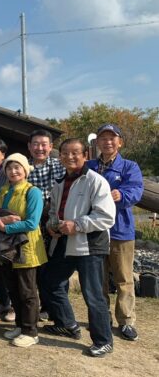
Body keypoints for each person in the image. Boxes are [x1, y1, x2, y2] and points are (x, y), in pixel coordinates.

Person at [43, 138, 116, 358]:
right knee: (49, 281)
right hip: (63, 242)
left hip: (90, 245)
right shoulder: (59, 183)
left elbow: (106, 217)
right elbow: (54, 212)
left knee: (93, 294)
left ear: (86, 155)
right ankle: (67, 324)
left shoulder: (96, 180)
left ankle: (103, 340)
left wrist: (78, 225)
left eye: (75, 153)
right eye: (65, 153)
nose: (70, 157)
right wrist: (51, 226)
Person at [87, 124, 144, 341]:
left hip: (121, 230)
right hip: (95, 230)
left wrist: (121, 194)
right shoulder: (90, 166)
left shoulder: (129, 166)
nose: (107, 142)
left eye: (112, 138)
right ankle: (103, 318)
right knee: (97, 279)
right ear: (97, 142)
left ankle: (127, 321)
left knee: (123, 278)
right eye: (103, 138)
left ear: (119, 142)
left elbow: (136, 190)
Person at [0, 153, 47, 348]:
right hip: (6, 247)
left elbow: (32, 222)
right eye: (9, 168)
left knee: (27, 291)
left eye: (17, 167)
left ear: (25, 170)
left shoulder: (33, 192)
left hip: (26, 247)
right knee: (12, 288)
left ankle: (31, 331)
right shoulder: (3, 190)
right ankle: (20, 326)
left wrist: (4, 227)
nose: (13, 171)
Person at [26, 129, 66, 321]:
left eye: (44, 144)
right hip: (32, 223)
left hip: (55, 221)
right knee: (38, 265)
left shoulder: (60, 165)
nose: (39, 148)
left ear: (51, 147)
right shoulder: (24, 167)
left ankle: (58, 310)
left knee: (57, 265)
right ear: (29, 147)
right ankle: (44, 306)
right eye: (35, 144)